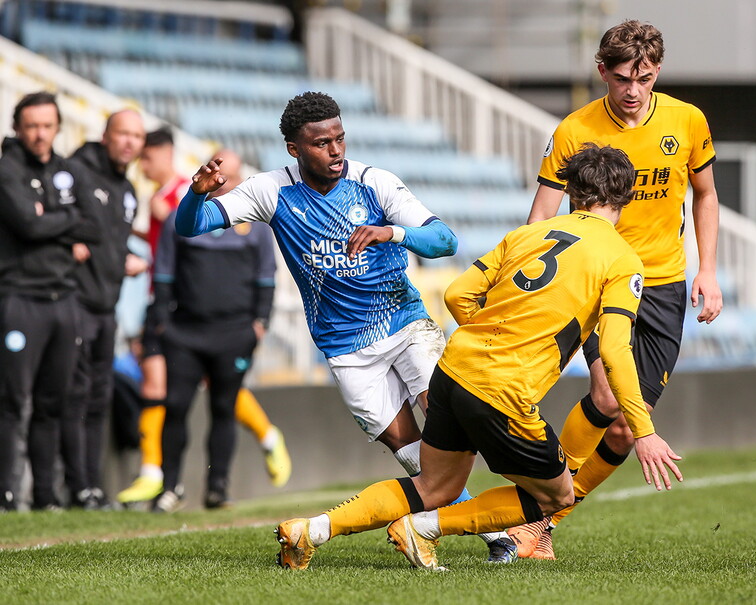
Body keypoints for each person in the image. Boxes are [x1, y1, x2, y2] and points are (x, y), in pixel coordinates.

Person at [272, 143, 683, 571]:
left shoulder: (527, 235)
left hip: (452, 370)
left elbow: (457, 294)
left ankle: (314, 529)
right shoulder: (622, 259)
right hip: (502, 389)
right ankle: (423, 529)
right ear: (628, 196)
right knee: (557, 496)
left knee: (434, 484)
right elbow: (615, 350)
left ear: (571, 193)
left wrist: (490, 334)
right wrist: (644, 431)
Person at [176, 91, 513, 561]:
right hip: (345, 347)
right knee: (409, 450)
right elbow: (191, 227)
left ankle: (511, 525)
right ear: (294, 148)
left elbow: (443, 240)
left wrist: (390, 232)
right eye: (321, 143)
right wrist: (197, 193)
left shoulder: (375, 183)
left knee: (451, 428)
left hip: (406, 323)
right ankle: (484, 531)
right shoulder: (271, 190)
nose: (335, 151)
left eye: (339, 139)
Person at [508, 20, 723, 560]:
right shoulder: (574, 131)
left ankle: (538, 519)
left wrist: (708, 270)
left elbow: (706, 194)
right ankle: (531, 515)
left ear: (657, 73)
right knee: (606, 396)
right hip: (600, 281)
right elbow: (542, 212)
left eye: (645, 78)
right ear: (603, 71)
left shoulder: (687, 121)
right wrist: (529, 272)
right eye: (624, 77)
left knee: (627, 429)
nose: (633, 90)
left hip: (666, 285)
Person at [117, 144, 291, 506]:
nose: (227, 182)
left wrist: (259, 324)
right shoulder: (183, 218)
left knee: (223, 409)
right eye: (220, 174)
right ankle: (169, 487)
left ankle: (218, 487)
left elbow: (266, 279)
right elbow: (163, 270)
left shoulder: (255, 227)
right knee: (176, 406)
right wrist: (163, 322)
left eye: (234, 175)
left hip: (233, 334)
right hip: (185, 333)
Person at [0, 91, 100, 511]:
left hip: (65, 301)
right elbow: (25, 224)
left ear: (57, 128)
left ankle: (45, 495)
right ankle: (6, 493)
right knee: (11, 400)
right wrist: (65, 225)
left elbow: (94, 226)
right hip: (20, 298)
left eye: (47, 125)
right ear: (18, 129)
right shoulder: (7, 169)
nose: (40, 134)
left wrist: (49, 221)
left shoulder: (71, 170)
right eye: (32, 126)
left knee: (52, 402)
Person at [62, 109, 148, 510]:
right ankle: (73, 486)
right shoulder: (75, 172)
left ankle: (93, 488)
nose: (129, 142)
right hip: (73, 302)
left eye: (136, 136)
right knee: (73, 397)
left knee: (99, 398)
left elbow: (108, 241)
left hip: (106, 307)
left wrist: (126, 258)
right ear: (106, 135)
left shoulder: (128, 189)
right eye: (123, 134)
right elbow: (56, 224)